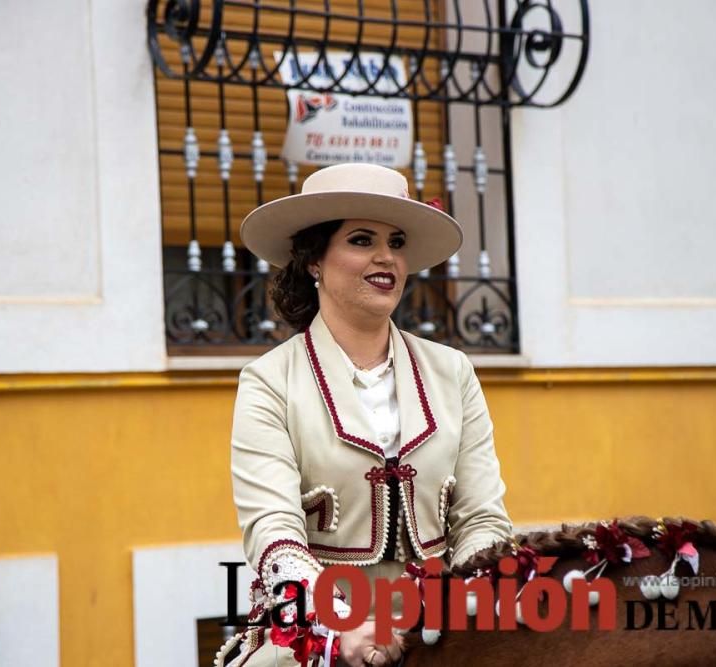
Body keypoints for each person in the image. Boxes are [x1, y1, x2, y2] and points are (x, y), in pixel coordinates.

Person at [214, 163, 514, 667]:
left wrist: (459, 608)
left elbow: (482, 517)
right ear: (314, 260)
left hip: (441, 631)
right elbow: (274, 533)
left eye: (396, 242)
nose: (386, 257)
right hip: (317, 632)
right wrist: (341, 626)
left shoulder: (453, 371)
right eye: (361, 239)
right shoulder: (269, 381)